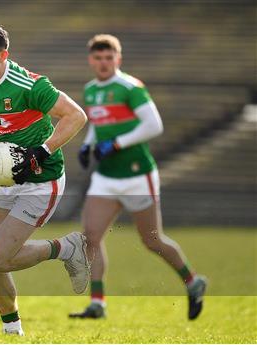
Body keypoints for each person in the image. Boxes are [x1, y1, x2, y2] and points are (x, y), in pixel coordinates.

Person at [0, 24, 90, 336]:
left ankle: (66, 248)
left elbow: (76, 116)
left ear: (4, 55)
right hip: (2, 177)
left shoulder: (29, 85)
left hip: (42, 179)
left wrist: (41, 151)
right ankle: (12, 331)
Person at [70, 34, 207, 320]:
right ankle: (97, 303)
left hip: (136, 175)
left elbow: (154, 125)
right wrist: (87, 144)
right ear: (90, 60)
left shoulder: (130, 88)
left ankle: (193, 282)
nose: (104, 63)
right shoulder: (92, 89)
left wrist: (117, 143)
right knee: (89, 238)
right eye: (98, 58)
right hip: (106, 176)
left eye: (109, 58)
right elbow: (98, 122)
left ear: (118, 59)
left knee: (152, 241)